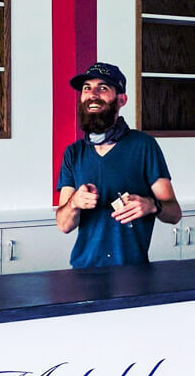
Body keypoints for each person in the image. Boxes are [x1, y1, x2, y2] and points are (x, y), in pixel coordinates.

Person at [55, 61, 181, 267]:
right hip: (83, 271)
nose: (92, 94)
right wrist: (74, 203)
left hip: (132, 272)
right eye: (87, 88)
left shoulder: (144, 146)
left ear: (121, 100)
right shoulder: (74, 153)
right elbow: (63, 224)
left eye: (103, 88)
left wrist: (152, 205)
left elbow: (174, 213)